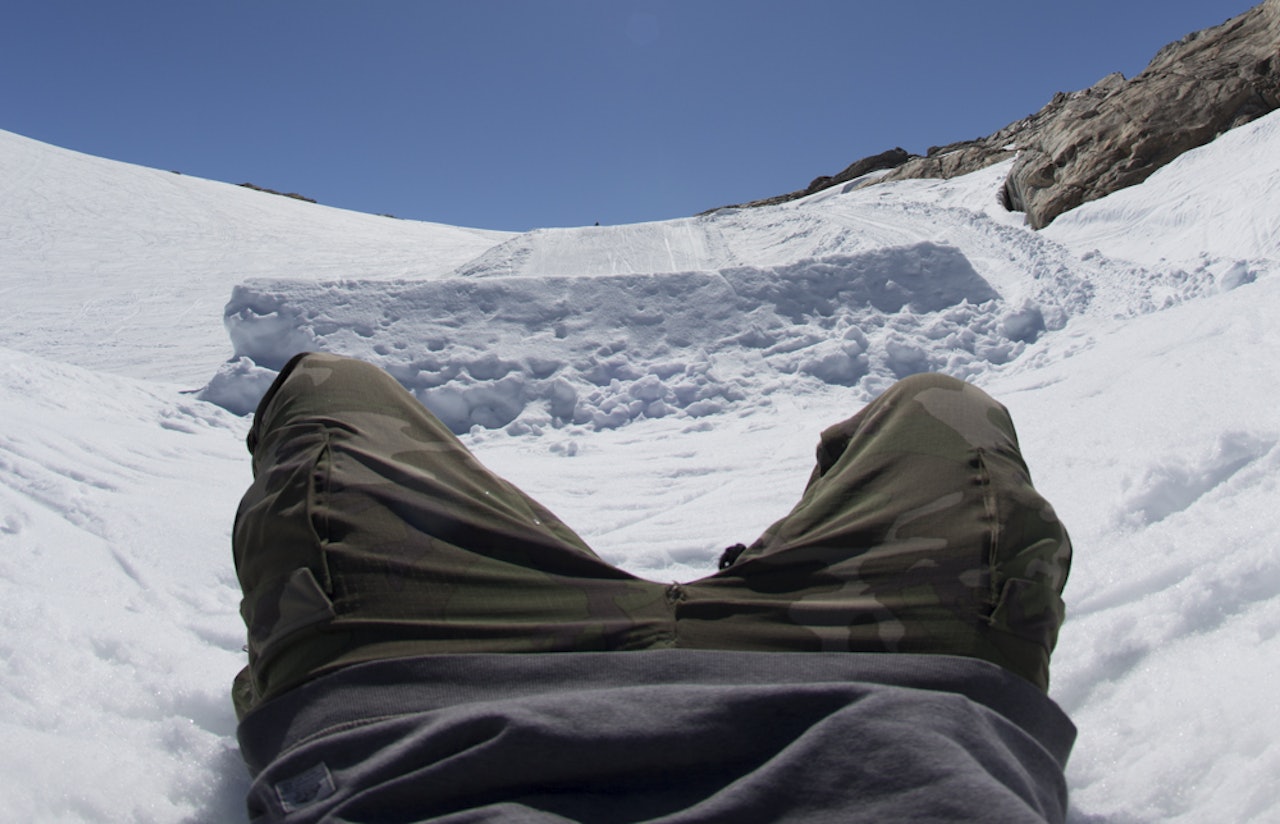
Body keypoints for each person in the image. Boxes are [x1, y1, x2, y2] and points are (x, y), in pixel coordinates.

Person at [232, 351, 1074, 823]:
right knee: (945, 407)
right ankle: (768, 574)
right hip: (898, 680)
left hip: (419, 692)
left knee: (328, 390)